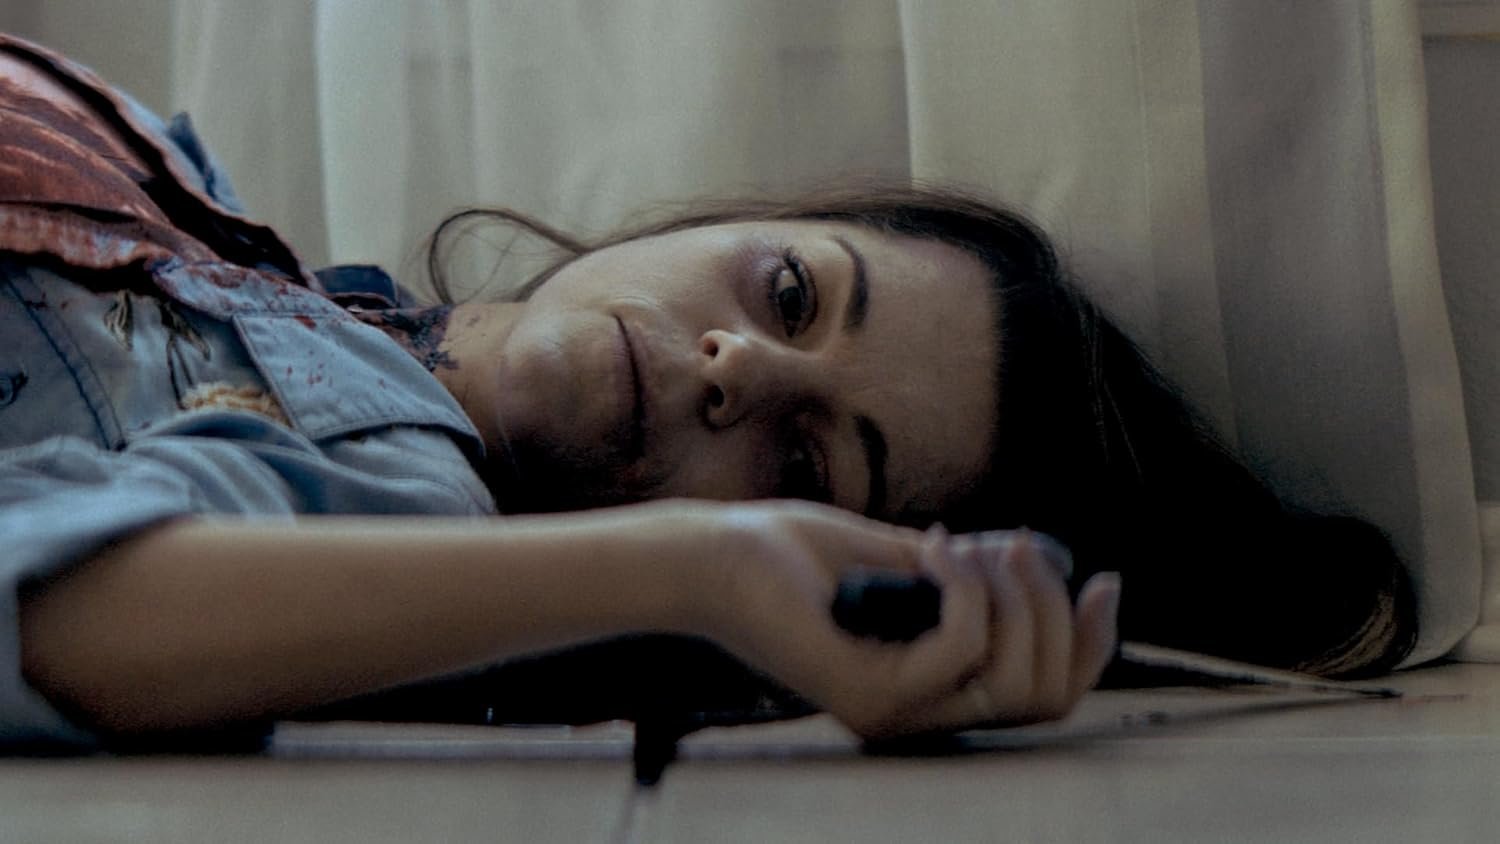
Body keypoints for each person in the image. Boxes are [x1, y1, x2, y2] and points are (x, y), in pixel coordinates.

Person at [0, 33, 1410, 751]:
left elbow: (51, 613)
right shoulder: (199, 209)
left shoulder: (383, 481)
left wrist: (706, 571)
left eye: (805, 468)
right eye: (791, 293)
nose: (746, 368)